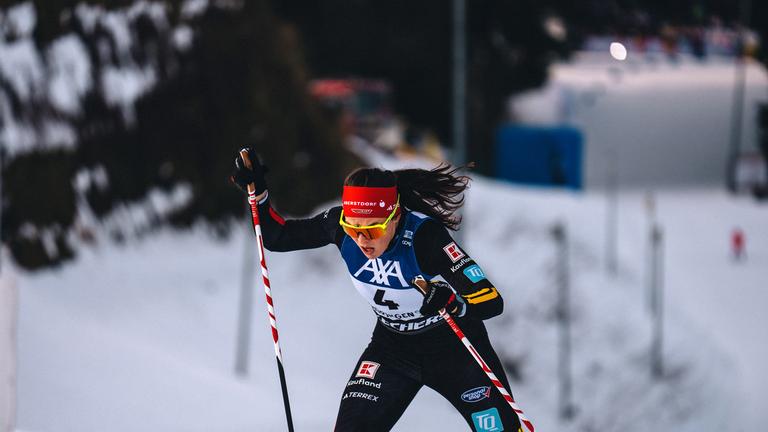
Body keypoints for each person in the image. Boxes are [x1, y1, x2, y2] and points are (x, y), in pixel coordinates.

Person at [231, 147, 522, 432]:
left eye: (373, 229)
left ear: (395, 216)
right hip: (393, 348)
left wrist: (454, 302)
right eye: (354, 227)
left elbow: (490, 301)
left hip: (453, 348)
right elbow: (277, 236)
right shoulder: (340, 228)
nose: (362, 239)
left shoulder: (425, 237)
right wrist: (258, 194)